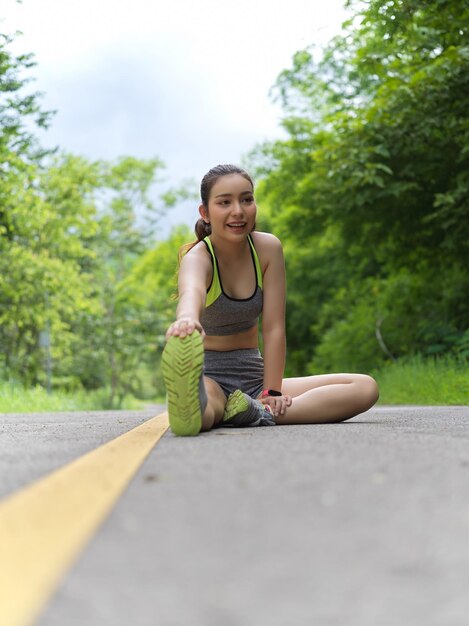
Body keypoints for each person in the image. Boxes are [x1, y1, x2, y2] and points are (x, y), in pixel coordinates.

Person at [162, 164, 379, 436]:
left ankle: (255, 410)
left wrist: (272, 391)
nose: (238, 211)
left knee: (365, 388)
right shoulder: (199, 257)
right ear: (205, 212)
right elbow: (191, 292)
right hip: (210, 376)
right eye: (224, 202)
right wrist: (186, 320)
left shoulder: (267, 249)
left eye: (246, 199)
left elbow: (274, 327)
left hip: (255, 376)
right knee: (206, 414)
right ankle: (201, 404)